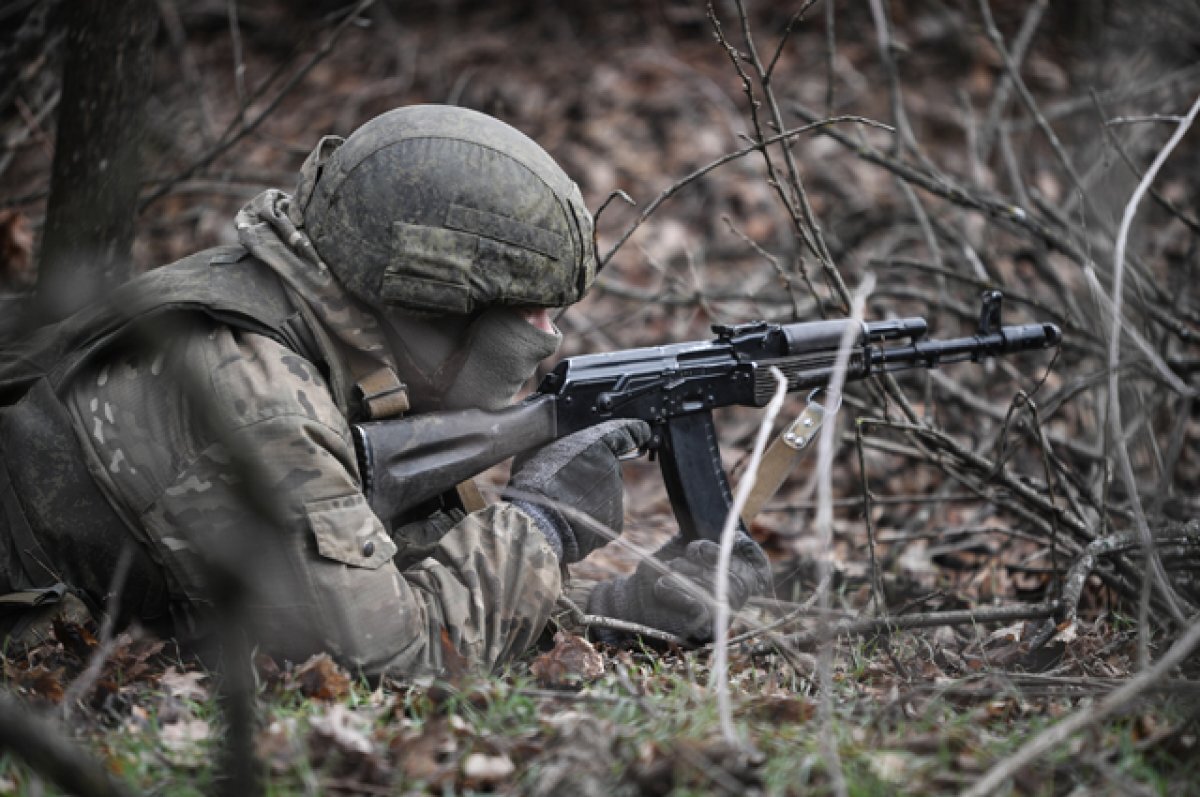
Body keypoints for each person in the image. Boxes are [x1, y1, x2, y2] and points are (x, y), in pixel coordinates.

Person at [0, 105, 770, 677]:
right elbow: (384, 660)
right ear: (429, 300)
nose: (547, 334)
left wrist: (627, 612)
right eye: (528, 311)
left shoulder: (326, 330)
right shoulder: (257, 392)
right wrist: (541, 524)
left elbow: (385, 573)